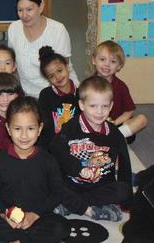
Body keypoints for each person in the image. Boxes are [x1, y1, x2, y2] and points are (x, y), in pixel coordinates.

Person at [0, 97, 70, 243]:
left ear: (39, 129)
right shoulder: (0, 160)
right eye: (17, 129)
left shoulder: (48, 160)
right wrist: (4, 214)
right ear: (8, 129)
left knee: (62, 227)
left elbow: (57, 192)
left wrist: (35, 215)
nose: (24, 135)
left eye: (30, 128)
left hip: (38, 216)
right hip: (8, 218)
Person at [49, 76, 132, 221]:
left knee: (123, 190)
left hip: (99, 186)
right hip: (72, 183)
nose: (99, 112)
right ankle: (84, 206)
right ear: (82, 105)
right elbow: (56, 149)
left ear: (111, 106)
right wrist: (78, 169)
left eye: (104, 106)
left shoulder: (114, 133)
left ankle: (71, 205)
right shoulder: (71, 127)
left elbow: (124, 164)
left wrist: (126, 203)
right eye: (93, 106)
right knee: (49, 182)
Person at [8, 0, 78, 97]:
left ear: (41, 7)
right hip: (26, 92)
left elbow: (63, 70)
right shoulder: (13, 28)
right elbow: (12, 65)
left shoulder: (58, 30)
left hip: (57, 90)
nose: (24, 15)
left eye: (29, 9)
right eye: (20, 10)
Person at [92, 40, 148, 141]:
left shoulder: (121, 87)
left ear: (119, 66)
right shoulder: (88, 85)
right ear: (94, 60)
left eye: (113, 61)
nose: (107, 64)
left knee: (142, 119)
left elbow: (129, 110)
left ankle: (113, 139)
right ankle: (109, 140)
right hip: (93, 123)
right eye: (102, 59)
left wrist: (115, 123)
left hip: (116, 125)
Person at [37, 46, 80, 148]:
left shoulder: (81, 93)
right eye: (51, 76)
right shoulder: (45, 95)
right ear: (48, 80)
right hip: (52, 146)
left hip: (76, 146)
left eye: (59, 70)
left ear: (67, 66)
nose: (57, 77)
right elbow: (45, 127)